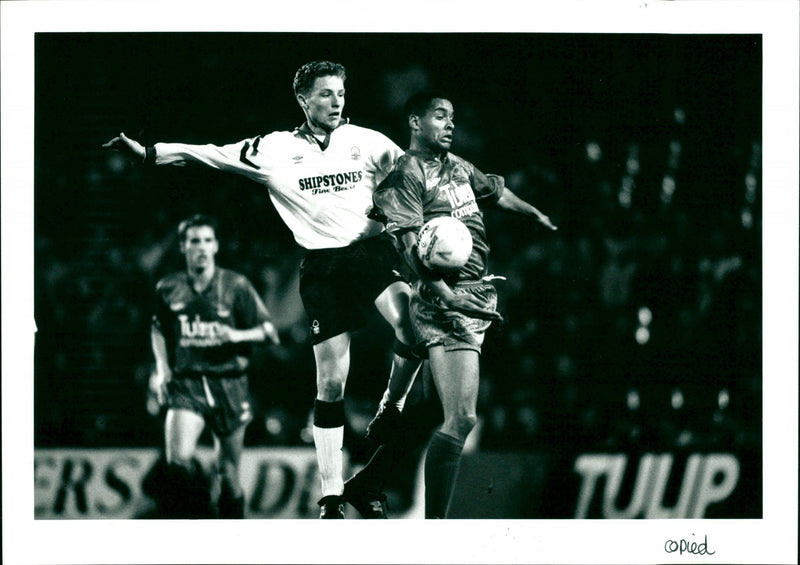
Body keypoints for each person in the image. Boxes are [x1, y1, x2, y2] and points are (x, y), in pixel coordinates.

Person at [103, 61, 422, 518]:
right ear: (304, 99)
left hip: (373, 254)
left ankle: (391, 404)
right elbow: (208, 153)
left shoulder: (369, 142)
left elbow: (417, 176)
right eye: (326, 94)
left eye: (340, 93)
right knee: (330, 382)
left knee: (411, 321)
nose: (336, 101)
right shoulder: (273, 150)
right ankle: (332, 493)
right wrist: (151, 153)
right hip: (324, 266)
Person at [368, 91, 557, 518]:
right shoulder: (407, 175)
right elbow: (412, 251)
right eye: (440, 116)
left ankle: (373, 476)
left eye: (453, 116)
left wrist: (532, 213)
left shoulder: (458, 167)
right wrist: (449, 297)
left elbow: (495, 193)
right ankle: (435, 524)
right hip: (443, 298)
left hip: (475, 291)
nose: (450, 124)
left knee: (446, 413)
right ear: (415, 123)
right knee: (461, 417)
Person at [151, 214, 281, 518]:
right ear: (183, 247)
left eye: (208, 240)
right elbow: (157, 327)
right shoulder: (168, 287)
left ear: (216, 246)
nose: (202, 247)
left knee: (228, 475)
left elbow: (270, 333)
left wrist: (236, 334)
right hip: (188, 383)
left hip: (229, 384)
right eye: (194, 241)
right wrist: (162, 369)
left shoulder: (235, 285)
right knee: (177, 466)